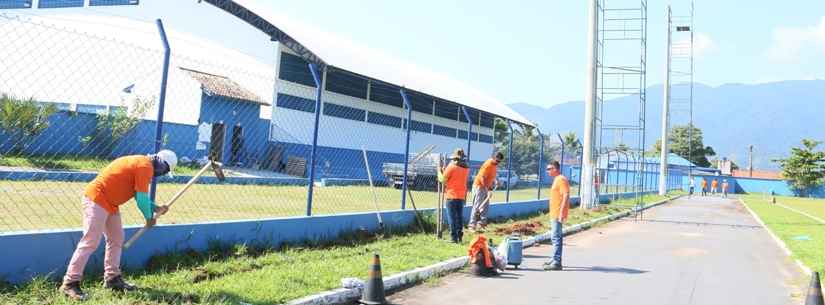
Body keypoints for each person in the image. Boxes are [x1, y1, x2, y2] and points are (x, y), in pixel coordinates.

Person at [60, 150, 177, 300]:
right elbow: (141, 199)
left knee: (116, 239)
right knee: (91, 241)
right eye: (164, 171)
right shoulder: (145, 166)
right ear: (161, 165)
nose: (160, 174)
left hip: (111, 203)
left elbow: (137, 194)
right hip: (97, 198)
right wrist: (149, 218)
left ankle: (112, 279)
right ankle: (70, 283)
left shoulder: (141, 163)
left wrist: (156, 208)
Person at [438, 149, 470, 243]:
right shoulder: (466, 168)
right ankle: (459, 236)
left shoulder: (451, 166)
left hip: (451, 196)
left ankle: (453, 238)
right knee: (459, 217)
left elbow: (442, 179)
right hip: (461, 196)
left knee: (452, 218)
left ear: (455, 158)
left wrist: (439, 171)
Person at [544, 160, 570, 271]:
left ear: (555, 169)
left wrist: (561, 213)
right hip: (554, 212)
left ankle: (557, 262)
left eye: (549, 169)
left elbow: (566, 195)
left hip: (557, 213)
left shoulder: (561, 179)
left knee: (556, 238)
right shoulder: (556, 179)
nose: (547, 171)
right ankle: (554, 258)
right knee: (554, 237)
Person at [468, 152, 503, 231]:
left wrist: (496, 180)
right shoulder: (488, 164)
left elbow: (493, 174)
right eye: (497, 161)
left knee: (485, 206)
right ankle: (472, 226)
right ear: (493, 158)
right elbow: (482, 178)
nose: (498, 163)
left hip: (486, 187)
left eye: (499, 161)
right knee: (477, 206)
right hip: (479, 186)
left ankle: (481, 224)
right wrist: (487, 189)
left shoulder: (495, 165)